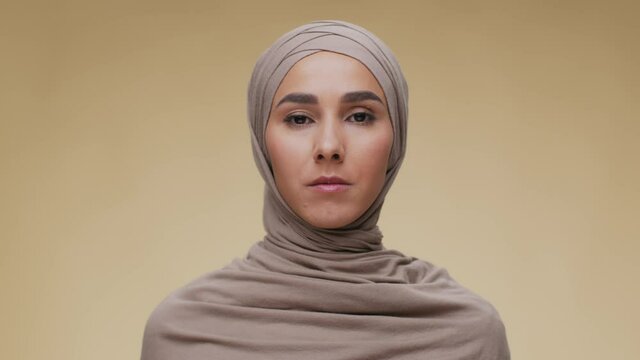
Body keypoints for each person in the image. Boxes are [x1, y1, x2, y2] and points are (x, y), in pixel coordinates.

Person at [141, 19, 510, 360]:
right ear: (261, 139)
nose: (329, 146)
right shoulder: (183, 334)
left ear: (396, 137)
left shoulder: (469, 336)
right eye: (299, 119)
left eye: (360, 116)